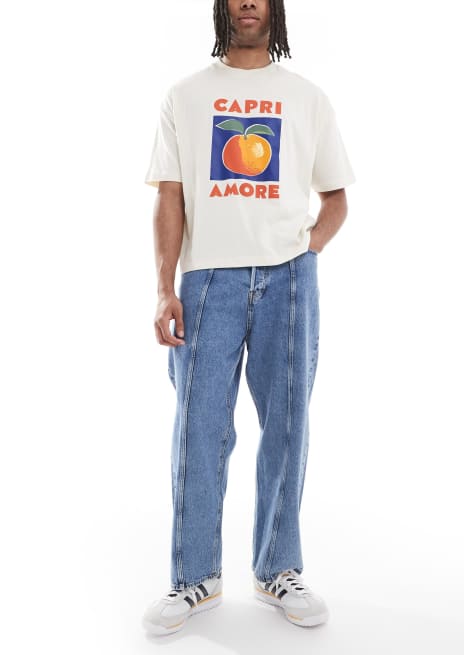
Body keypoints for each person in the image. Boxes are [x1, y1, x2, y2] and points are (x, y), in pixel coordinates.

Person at [141, 0, 355, 636]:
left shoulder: (307, 98)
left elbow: (336, 197)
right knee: (199, 429)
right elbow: (170, 196)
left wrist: (305, 252)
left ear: (276, 8)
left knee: (288, 426)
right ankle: (194, 577)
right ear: (222, 6)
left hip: (290, 277)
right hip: (208, 279)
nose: (248, 2)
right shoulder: (184, 96)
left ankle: (278, 568)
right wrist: (164, 288)